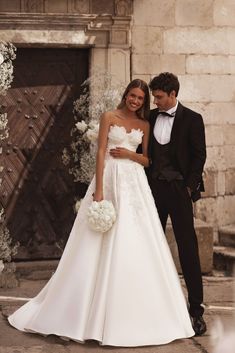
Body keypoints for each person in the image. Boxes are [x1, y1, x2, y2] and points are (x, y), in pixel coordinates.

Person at [8, 79, 195, 347]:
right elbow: (99, 151)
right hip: (107, 178)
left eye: (141, 99)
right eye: (133, 96)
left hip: (133, 185)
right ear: (126, 95)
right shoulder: (109, 116)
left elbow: (147, 160)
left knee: (134, 238)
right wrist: (98, 189)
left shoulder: (144, 125)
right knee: (95, 239)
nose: (136, 101)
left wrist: (130, 156)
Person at [147, 72, 207, 336]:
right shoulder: (149, 117)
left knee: (188, 249)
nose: (155, 101)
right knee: (150, 246)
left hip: (179, 191)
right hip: (152, 191)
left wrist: (187, 187)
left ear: (172, 94)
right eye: (154, 97)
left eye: (159, 97)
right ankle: (155, 307)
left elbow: (199, 156)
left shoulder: (193, 119)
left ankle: (196, 311)